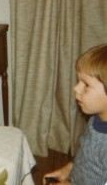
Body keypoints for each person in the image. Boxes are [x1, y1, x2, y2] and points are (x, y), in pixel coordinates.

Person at [43, 44, 107, 185]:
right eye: (78, 81)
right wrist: (70, 168)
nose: (76, 88)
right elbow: (86, 155)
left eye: (86, 85)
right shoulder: (95, 120)